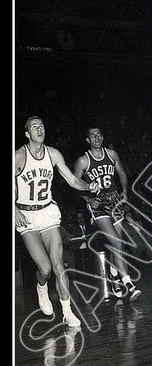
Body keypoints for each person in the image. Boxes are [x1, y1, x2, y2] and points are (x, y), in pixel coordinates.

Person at [15, 116, 100, 327]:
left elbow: (72, 180)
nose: (39, 129)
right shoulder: (18, 156)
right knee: (44, 269)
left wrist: (88, 186)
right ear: (27, 134)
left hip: (47, 213)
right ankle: (41, 286)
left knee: (58, 266)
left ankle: (67, 311)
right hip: (26, 215)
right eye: (34, 127)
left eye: (42, 126)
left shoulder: (53, 154)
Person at [73, 126, 141, 302]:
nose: (96, 137)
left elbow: (122, 173)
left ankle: (113, 275)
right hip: (98, 204)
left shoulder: (112, 154)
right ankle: (129, 283)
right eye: (92, 135)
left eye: (99, 134)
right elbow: (74, 183)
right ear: (88, 140)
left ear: (102, 137)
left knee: (116, 245)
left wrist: (125, 190)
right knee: (117, 243)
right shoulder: (83, 161)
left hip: (114, 200)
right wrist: (88, 200)